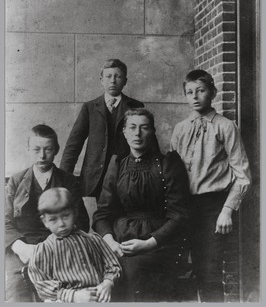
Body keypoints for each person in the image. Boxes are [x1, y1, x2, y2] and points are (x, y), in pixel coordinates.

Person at [170, 69, 252, 302]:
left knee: (210, 270)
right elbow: (172, 172)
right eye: (189, 92)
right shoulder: (180, 129)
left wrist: (227, 210)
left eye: (201, 90)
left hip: (212, 207)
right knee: (182, 269)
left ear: (213, 93)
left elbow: (242, 174)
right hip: (183, 207)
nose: (194, 96)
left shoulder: (226, 127)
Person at [93, 108, 190, 302]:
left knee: (133, 270)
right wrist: (111, 243)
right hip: (120, 244)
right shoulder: (117, 164)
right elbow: (102, 214)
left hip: (159, 244)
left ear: (152, 131)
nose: (138, 133)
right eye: (133, 127)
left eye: (144, 128)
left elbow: (178, 215)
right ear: (125, 132)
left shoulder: (167, 164)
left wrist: (147, 244)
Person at [5, 124, 90, 302]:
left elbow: (81, 222)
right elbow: (3, 221)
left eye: (48, 149)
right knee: (15, 289)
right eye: (36, 150)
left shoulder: (68, 181)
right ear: (28, 149)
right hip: (23, 248)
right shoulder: (16, 181)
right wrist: (21, 248)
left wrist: (57, 246)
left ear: (56, 150)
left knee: (68, 291)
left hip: (61, 247)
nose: (42, 156)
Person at [60, 59, 144, 200]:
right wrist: (62, 177)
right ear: (101, 80)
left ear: (125, 81)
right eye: (108, 76)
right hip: (96, 178)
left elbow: (147, 142)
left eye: (118, 76)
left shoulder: (135, 106)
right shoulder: (90, 108)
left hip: (126, 174)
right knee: (100, 218)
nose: (113, 81)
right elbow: (73, 144)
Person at [28, 187, 121, 302]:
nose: (61, 224)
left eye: (66, 216)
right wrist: (73, 296)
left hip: (98, 296)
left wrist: (107, 283)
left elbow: (112, 264)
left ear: (75, 213)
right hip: (66, 300)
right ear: (44, 221)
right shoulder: (44, 250)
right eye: (53, 220)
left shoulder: (92, 240)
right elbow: (42, 285)